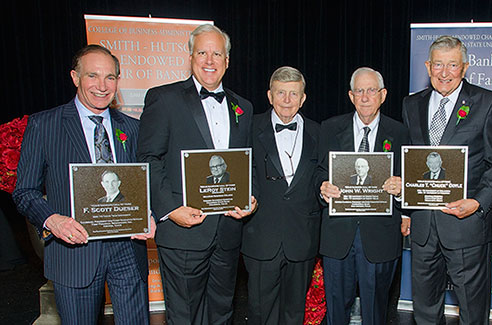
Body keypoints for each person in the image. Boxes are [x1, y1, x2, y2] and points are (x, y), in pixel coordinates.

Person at [13, 44, 154, 324]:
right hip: (74, 253)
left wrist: (149, 213)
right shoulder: (45, 125)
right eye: (93, 76)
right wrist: (52, 220)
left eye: (110, 77)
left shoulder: (132, 128)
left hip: (127, 250)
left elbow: (143, 183)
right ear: (75, 77)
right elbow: (24, 191)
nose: (102, 86)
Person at [137, 24, 257, 324]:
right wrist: (170, 209)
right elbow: (148, 159)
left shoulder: (243, 106)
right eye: (202, 52)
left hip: (228, 232)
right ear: (190, 56)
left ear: (227, 61)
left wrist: (249, 198)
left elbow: (245, 163)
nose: (209, 60)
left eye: (217, 53)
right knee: (184, 316)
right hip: (183, 233)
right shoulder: (164, 99)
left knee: (221, 313)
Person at [401, 36, 492, 324]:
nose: (444, 72)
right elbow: (410, 160)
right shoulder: (411, 105)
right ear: (428, 66)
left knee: (473, 310)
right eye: (438, 64)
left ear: (465, 67)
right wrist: (406, 206)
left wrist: (478, 202)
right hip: (423, 227)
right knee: (424, 308)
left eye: (452, 65)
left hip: (466, 226)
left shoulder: (488, 103)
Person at [319, 67, 408, 325]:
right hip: (338, 236)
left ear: (383, 95)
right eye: (360, 91)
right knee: (335, 310)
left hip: (380, 237)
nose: (365, 97)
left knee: (375, 311)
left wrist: (401, 188)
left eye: (371, 90)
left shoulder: (401, 133)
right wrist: (321, 188)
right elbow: (317, 174)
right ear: (351, 95)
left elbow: (409, 182)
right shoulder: (329, 128)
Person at [241, 66, 321, 325]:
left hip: (302, 239)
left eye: (293, 94)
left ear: (303, 98)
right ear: (269, 95)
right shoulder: (248, 128)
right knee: (260, 314)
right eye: (281, 93)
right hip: (262, 239)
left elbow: (323, 177)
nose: (287, 100)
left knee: (294, 313)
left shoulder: (320, 133)